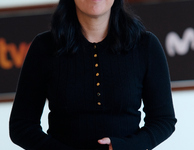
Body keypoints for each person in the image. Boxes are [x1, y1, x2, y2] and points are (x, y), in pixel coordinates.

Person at [9, 0, 177, 150]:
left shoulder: (145, 45)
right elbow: (21, 126)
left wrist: (125, 147)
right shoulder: (44, 47)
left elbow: (163, 120)